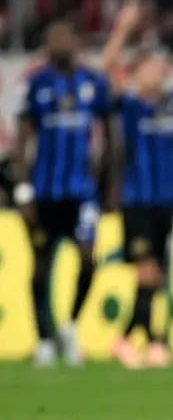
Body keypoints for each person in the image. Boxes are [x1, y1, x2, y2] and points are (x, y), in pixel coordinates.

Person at [14, 20, 112, 368]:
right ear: (46, 45)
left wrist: (107, 185)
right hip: (44, 192)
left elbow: (110, 135)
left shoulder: (93, 83)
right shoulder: (36, 83)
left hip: (81, 192)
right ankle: (43, 338)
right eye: (54, 39)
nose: (61, 44)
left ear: (77, 42)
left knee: (88, 259)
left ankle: (69, 326)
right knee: (41, 267)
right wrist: (22, 189)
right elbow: (23, 137)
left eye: (66, 37)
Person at [101, 2, 173, 368]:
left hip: (167, 200)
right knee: (148, 272)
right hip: (137, 199)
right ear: (135, 73)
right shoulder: (129, 106)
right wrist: (122, 29)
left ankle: (137, 340)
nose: (157, 72)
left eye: (160, 66)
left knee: (157, 276)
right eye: (149, 67)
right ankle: (140, 340)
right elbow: (107, 68)